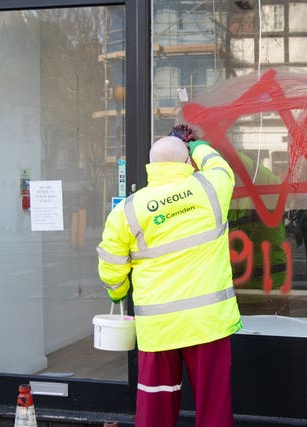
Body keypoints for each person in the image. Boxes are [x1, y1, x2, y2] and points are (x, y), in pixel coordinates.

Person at [96, 133, 241, 427]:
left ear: (151, 167)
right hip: (207, 323)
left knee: (155, 406)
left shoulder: (127, 210)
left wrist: (118, 292)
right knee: (213, 404)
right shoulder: (211, 188)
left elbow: (111, 265)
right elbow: (219, 164)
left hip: (158, 327)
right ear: (188, 162)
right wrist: (197, 144)